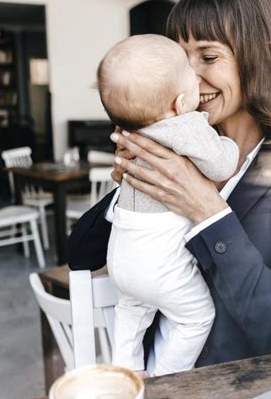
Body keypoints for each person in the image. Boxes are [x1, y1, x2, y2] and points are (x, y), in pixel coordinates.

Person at [67, 0, 271, 370]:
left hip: (226, 397)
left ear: (257, 58)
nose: (190, 79)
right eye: (180, 61)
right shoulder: (171, 148)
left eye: (209, 57)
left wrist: (208, 211)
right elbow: (79, 254)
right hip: (149, 381)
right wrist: (129, 189)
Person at [96, 34, 238, 376]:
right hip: (158, 262)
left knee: (131, 312)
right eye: (190, 74)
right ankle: (166, 380)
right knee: (196, 317)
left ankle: (125, 375)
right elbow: (220, 164)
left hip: (121, 257)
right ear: (178, 102)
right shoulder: (184, 126)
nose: (198, 81)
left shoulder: (129, 133)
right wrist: (228, 144)